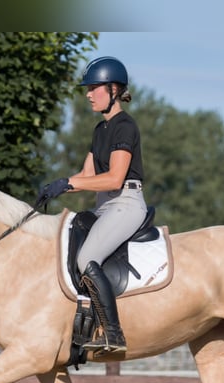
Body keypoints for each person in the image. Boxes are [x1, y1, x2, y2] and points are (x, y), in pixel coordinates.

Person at [39, 56, 147, 355]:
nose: (87, 93)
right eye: (87, 88)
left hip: (126, 202)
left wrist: (69, 183)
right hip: (105, 206)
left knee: (87, 257)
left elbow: (113, 178)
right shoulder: (100, 130)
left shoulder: (125, 126)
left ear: (113, 89)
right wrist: (57, 186)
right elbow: (87, 176)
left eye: (93, 87)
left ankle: (112, 333)